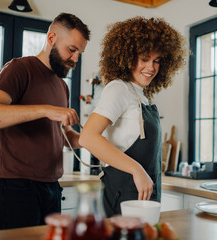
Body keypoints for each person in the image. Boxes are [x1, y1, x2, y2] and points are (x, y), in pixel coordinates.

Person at [0, 13, 90, 230]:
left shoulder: (62, 86)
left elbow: (64, 136)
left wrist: (90, 139)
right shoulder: (19, 68)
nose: (75, 59)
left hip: (52, 187)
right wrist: (46, 110)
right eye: (72, 50)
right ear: (51, 38)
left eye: (79, 53)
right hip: (17, 187)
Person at [79, 16, 186, 217]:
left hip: (144, 196)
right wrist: (137, 170)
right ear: (127, 57)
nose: (151, 67)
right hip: (123, 195)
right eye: (144, 59)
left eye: (157, 61)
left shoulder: (142, 95)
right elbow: (88, 137)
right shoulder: (119, 88)